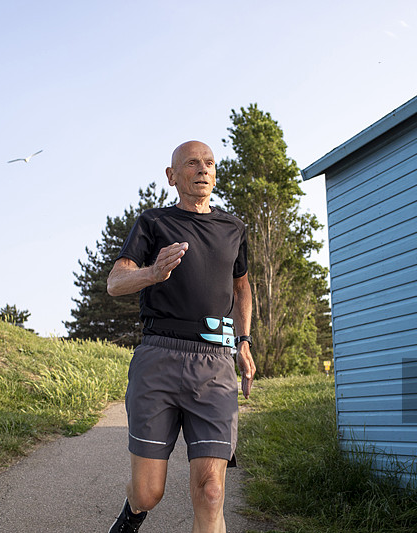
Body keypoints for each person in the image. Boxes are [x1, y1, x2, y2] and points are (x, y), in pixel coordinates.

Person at [106, 140, 256, 533]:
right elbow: (115, 282)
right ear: (172, 176)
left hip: (216, 364)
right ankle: (131, 515)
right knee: (148, 492)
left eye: (209, 163)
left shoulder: (234, 228)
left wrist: (244, 341)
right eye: (192, 163)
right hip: (159, 357)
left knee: (210, 491)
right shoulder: (153, 223)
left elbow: (241, 288)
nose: (202, 169)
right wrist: (152, 273)